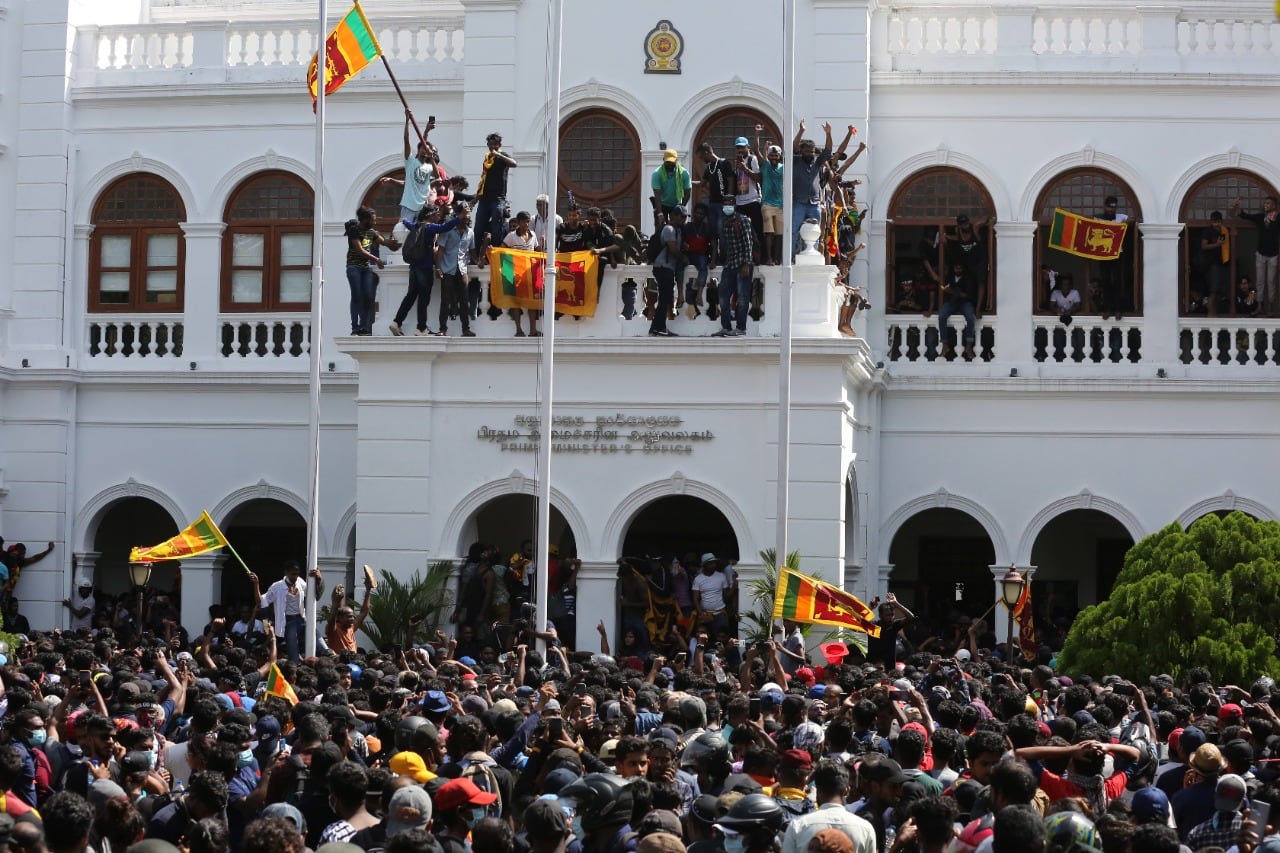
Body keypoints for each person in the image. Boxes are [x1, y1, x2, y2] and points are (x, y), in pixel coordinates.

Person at [390, 202, 460, 336]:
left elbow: (407, 223)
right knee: (423, 298)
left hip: (414, 268)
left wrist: (404, 220)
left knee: (410, 296)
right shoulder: (430, 227)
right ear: (431, 215)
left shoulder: (416, 226)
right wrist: (459, 218)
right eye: (436, 214)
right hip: (425, 268)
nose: (438, 216)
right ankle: (421, 328)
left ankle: (396, 322)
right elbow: (445, 227)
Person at [249, 560, 324, 662]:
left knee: (316, 635)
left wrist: (319, 579)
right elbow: (260, 602)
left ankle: (329, 655)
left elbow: (315, 595)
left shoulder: (300, 582)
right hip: (288, 622)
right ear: (286, 573)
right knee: (293, 652)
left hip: (302, 618)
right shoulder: (277, 587)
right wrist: (256, 584)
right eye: (293, 574)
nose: (295, 577)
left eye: (297, 574)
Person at [344, 207, 400, 336]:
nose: (375, 222)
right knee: (357, 295)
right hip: (354, 267)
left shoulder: (372, 232)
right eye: (372, 220)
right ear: (364, 219)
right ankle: (355, 327)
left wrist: (397, 243)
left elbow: (384, 242)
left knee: (368, 297)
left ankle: (364, 326)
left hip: (366, 268)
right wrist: (376, 259)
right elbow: (359, 250)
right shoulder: (354, 230)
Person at [379, 111, 438, 224]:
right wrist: (407, 121)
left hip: (423, 207)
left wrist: (431, 158)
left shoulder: (429, 167)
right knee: (404, 232)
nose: (424, 150)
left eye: (427, 149)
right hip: (409, 205)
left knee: (421, 234)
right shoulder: (411, 161)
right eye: (422, 148)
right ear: (419, 149)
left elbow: (437, 176)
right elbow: (406, 139)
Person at [712, 204, 756, 338]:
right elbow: (728, 245)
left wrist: (747, 264)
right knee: (723, 296)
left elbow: (748, 243)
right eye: (724, 203)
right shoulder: (725, 222)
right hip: (730, 263)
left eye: (730, 203)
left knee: (743, 297)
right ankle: (726, 327)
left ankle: (741, 328)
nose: (726, 206)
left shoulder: (743, 220)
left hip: (742, 263)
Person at [1232, 194, 1280, 316]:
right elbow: (1245, 216)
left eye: (1268, 203)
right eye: (1265, 203)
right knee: (1260, 282)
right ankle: (1259, 306)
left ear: (1274, 205)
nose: (1265, 205)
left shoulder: (1278, 217)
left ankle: (1270, 308)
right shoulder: (1260, 217)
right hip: (1260, 254)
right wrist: (1238, 208)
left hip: (1273, 255)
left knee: (1271, 282)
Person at [790, 120, 833, 257]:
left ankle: (811, 257)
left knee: (814, 231)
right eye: (807, 151)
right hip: (799, 203)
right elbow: (794, 147)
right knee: (794, 231)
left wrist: (828, 133)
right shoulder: (796, 160)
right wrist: (801, 130)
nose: (809, 153)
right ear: (802, 151)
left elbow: (828, 150)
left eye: (812, 151)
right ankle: (790, 257)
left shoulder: (817, 162)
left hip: (814, 204)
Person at [435, 202, 477, 337]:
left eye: (469, 213)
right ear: (458, 214)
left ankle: (466, 329)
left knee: (464, 301)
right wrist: (438, 267)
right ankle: (442, 329)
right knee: (445, 300)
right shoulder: (448, 230)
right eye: (465, 212)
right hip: (448, 269)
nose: (467, 216)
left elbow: (472, 252)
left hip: (462, 270)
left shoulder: (470, 232)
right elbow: (440, 251)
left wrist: (480, 260)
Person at [502, 210, 542, 337]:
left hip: (530, 273)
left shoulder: (533, 235)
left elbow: (537, 250)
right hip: (515, 274)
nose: (526, 224)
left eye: (528, 221)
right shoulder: (511, 236)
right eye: (524, 221)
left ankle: (533, 330)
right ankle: (518, 330)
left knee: (532, 301)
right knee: (516, 302)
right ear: (518, 222)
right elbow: (502, 250)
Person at [475, 133, 517, 250]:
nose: (493, 146)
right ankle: (478, 252)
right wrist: (477, 197)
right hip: (484, 199)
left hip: (497, 199)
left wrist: (499, 155)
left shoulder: (502, 156)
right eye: (490, 144)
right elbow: (483, 179)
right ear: (487, 145)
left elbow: (514, 163)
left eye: (495, 144)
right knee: (479, 226)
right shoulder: (487, 158)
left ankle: (496, 250)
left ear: (499, 145)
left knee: (496, 225)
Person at [649, 207, 683, 338]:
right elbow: (673, 249)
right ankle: (660, 327)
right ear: (673, 216)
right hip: (663, 267)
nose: (683, 219)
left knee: (665, 298)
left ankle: (655, 327)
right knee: (665, 298)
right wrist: (683, 258)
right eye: (681, 216)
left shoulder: (676, 230)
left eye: (685, 217)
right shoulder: (669, 229)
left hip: (666, 268)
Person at [938, 260, 978, 361]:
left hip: (965, 303)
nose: (958, 269)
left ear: (963, 268)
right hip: (952, 303)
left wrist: (953, 291)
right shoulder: (949, 277)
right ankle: (945, 344)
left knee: (970, 317)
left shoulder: (968, 278)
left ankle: (969, 346)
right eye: (956, 268)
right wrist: (952, 292)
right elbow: (944, 288)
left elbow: (967, 295)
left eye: (960, 268)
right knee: (942, 315)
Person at [730, 137, 764, 253]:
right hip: (740, 202)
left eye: (742, 147)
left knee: (757, 229)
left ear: (748, 147)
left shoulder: (752, 159)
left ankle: (760, 254)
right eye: (738, 147)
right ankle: (744, 254)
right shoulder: (737, 161)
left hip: (753, 200)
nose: (740, 150)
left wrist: (744, 168)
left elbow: (758, 178)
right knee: (740, 230)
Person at [324, 574, 372, 655]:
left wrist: (368, 589)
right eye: (349, 616)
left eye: (353, 616)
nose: (353, 619)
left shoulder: (351, 627)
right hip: (341, 665)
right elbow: (332, 618)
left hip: (354, 662)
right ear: (340, 618)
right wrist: (335, 604)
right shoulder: (334, 630)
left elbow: (364, 611)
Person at [1199, 211, 1230, 316]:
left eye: (1218, 222)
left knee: (1219, 291)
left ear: (1221, 221)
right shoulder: (1208, 231)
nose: (1216, 224)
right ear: (1211, 221)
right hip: (1211, 264)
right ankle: (1211, 315)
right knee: (1213, 290)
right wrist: (1217, 244)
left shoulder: (1223, 231)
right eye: (1214, 222)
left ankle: (1214, 313)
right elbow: (1204, 246)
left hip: (1222, 263)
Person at [759, 144, 784, 265]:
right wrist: (757, 134)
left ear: (780, 156)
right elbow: (755, 150)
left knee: (779, 234)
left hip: (780, 205)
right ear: (768, 156)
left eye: (776, 155)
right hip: (767, 204)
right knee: (769, 232)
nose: (774, 157)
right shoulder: (765, 165)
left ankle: (776, 258)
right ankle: (769, 258)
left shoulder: (784, 168)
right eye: (771, 155)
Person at [652, 149, 692, 221]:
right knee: (660, 228)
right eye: (668, 162)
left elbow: (688, 192)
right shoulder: (657, 174)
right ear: (663, 160)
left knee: (677, 227)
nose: (670, 164)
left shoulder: (684, 173)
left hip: (677, 203)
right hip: (662, 204)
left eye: (672, 162)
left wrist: (681, 207)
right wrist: (660, 213)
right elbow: (657, 195)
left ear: (676, 160)